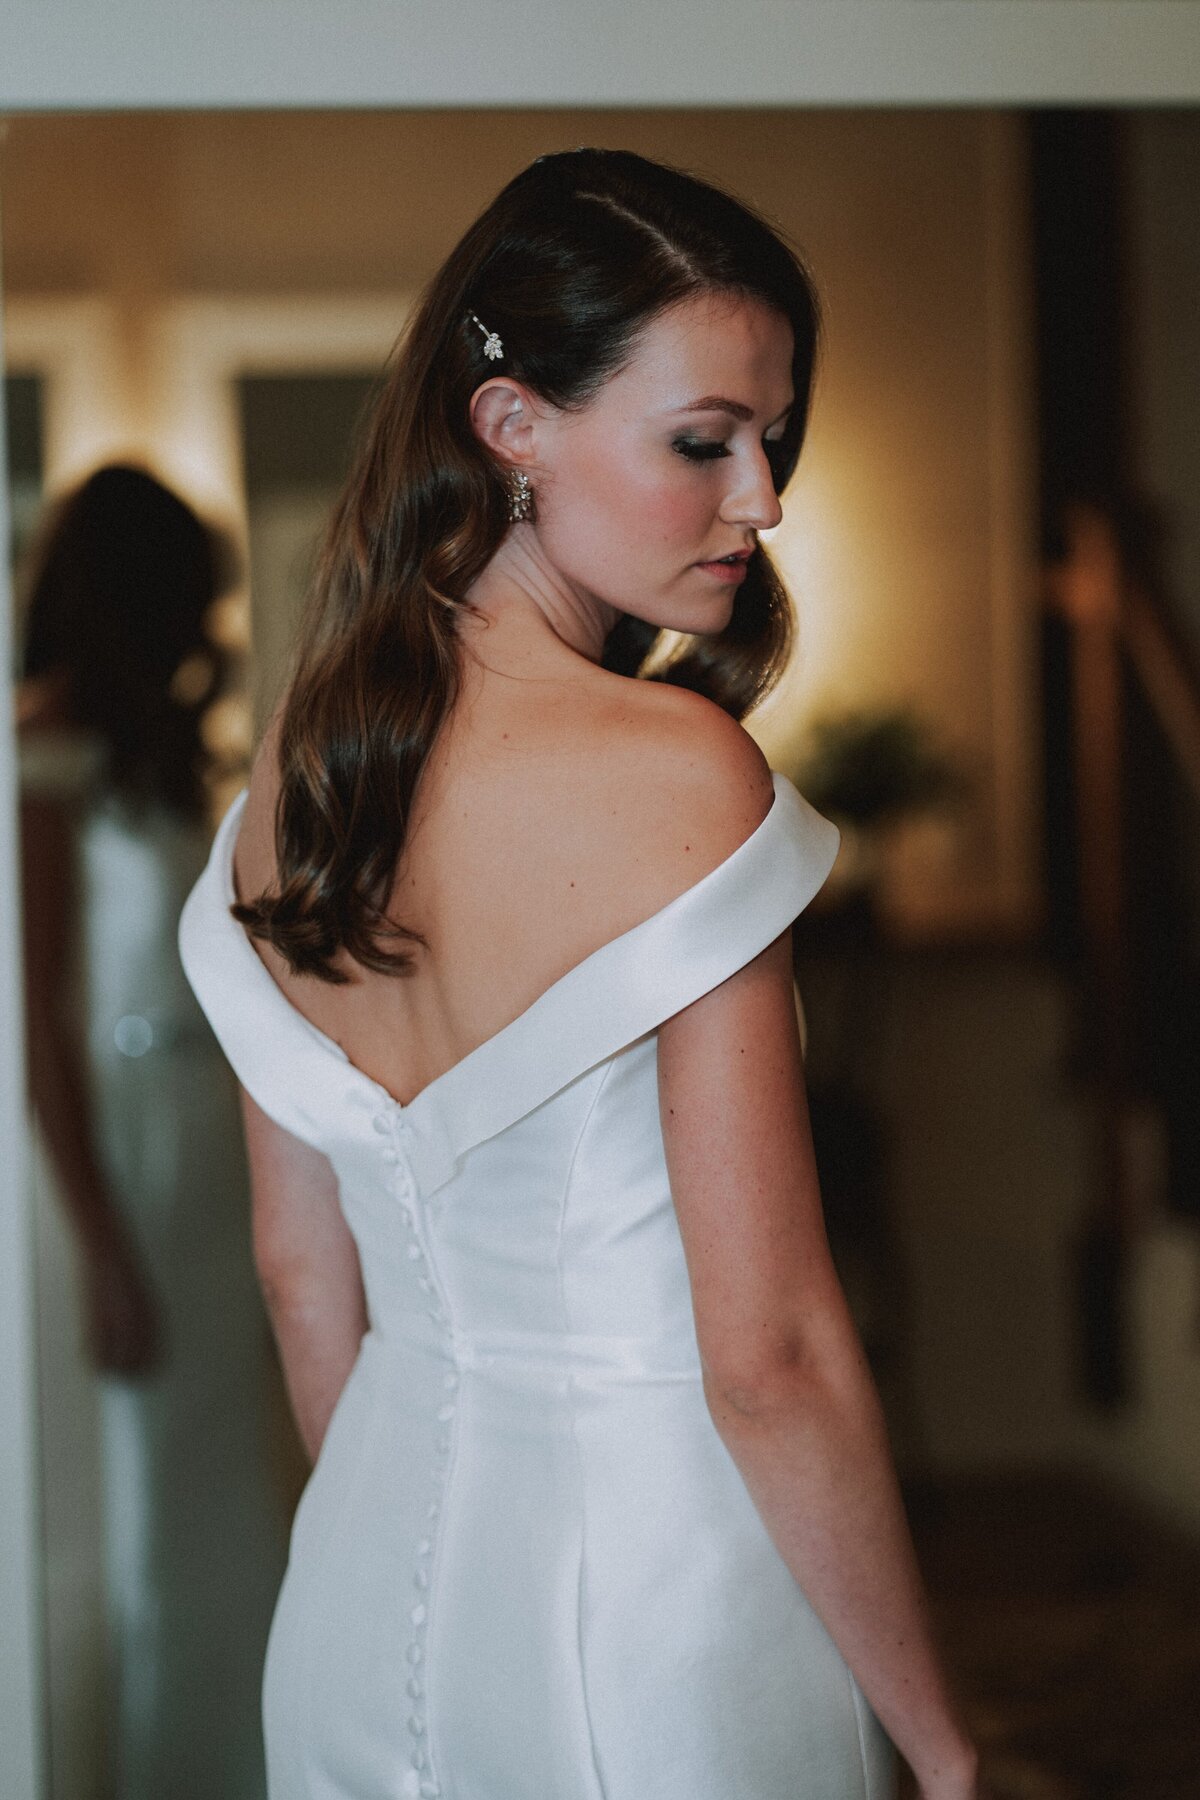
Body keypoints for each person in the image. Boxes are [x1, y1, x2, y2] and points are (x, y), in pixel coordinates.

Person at [178, 148, 983, 1800]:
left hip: (351, 1606)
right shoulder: (679, 777)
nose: (761, 498)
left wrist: (420, 1556)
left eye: (773, 443)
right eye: (704, 443)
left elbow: (297, 1272)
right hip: (657, 1614)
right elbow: (771, 1357)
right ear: (512, 428)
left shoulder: (290, 788)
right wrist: (947, 1745)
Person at [18, 463, 287, 1800]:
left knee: (218, 1476)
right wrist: (100, 1243)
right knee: (140, 1492)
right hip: (116, 1153)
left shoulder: (160, 753)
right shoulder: (40, 750)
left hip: (205, 1139)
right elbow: (37, 1027)